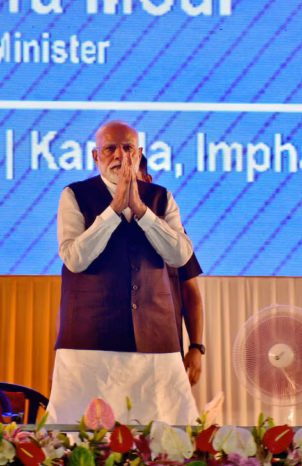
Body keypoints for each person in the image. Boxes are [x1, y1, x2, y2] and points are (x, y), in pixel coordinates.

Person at [48, 120, 199, 425]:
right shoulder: (74, 194)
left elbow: (180, 255)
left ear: (138, 153)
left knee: (162, 438)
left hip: (156, 344)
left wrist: (142, 211)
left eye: (128, 148)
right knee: (84, 438)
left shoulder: (161, 197)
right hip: (89, 345)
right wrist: (113, 210)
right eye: (110, 149)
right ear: (96, 156)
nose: (119, 155)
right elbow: (74, 259)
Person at [136, 155, 205, 386]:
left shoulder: (172, 231)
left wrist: (196, 347)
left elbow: (190, 291)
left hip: (164, 350)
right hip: (111, 356)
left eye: (131, 178)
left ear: (147, 180)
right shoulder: (99, 226)